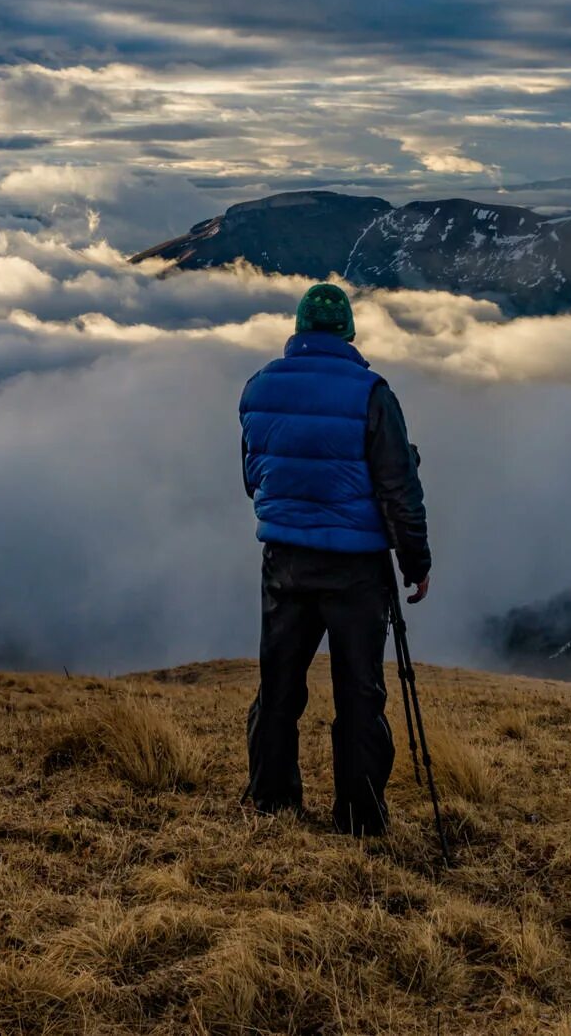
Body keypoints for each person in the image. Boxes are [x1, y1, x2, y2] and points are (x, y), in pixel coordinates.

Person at [238, 282, 431, 836]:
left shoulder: (258, 388)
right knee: (359, 694)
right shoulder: (373, 393)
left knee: (278, 688)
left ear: (298, 329)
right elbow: (399, 488)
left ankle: (272, 805)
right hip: (357, 570)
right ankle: (360, 817)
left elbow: (254, 478)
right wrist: (415, 562)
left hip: (285, 562)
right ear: (348, 331)